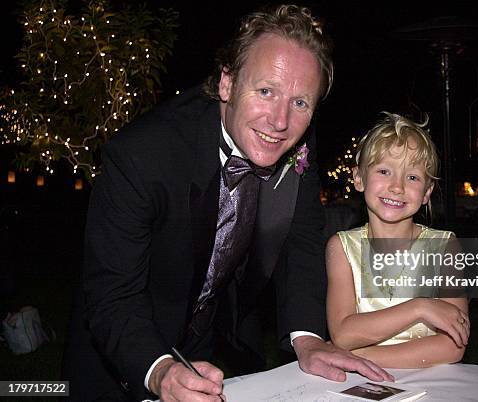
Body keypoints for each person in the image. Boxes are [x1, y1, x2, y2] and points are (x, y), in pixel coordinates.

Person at [62, 5, 391, 401]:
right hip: (121, 356)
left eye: (301, 102)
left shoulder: (296, 141)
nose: (280, 121)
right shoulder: (142, 156)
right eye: (266, 91)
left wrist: (308, 339)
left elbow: (301, 240)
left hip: (203, 346)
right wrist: (159, 369)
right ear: (227, 84)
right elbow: (112, 295)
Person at [325, 113, 469, 368]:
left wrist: (357, 357)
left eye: (412, 177)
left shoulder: (446, 248)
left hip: (431, 382)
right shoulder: (342, 248)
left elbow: (453, 345)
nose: (397, 187)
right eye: (384, 171)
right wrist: (419, 307)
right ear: (359, 178)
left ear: (427, 192)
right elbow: (343, 333)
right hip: (361, 386)